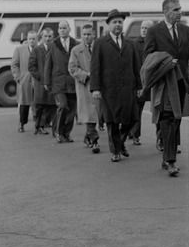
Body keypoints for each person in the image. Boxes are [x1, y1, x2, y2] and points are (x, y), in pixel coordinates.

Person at [143, 0, 189, 175]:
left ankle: (166, 156)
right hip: (164, 83)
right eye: (176, 9)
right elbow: (148, 57)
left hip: (181, 83)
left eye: (180, 9)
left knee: (176, 119)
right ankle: (170, 160)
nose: (180, 12)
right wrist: (165, 62)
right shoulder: (154, 31)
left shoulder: (185, 30)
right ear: (165, 12)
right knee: (167, 118)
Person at [90, 9, 141, 162]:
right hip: (109, 90)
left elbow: (136, 67)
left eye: (120, 22)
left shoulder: (130, 43)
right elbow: (95, 67)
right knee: (112, 121)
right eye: (114, 22)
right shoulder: (100, 43)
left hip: (128, 89)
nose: (117, 25)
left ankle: (119, 143)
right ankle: (115, 151)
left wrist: (139, 87)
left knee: (132, 119)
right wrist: (96, 88)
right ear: (108, 25)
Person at [44, 20, 79, 143]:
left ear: (69, 29)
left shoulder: (75, 44)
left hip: (72, 82)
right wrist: (47, 82)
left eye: (64, 28)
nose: (62, 30)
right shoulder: (53, 45)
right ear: (58, 30)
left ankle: (67, 133)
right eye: (60, 28)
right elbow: (48, 64)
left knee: (72, 110)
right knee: (63, 106)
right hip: (58, 83)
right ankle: (59, 132)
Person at [69, 23, 101, 153]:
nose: (86, 37)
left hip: (99, 86)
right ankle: (94, 140)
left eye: (89, 34)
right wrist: (86, 74)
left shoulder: (99, 48)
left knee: (95, 113)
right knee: (90, 113)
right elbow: (72, 69)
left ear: (94, 34)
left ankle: (88, 137)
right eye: (84, 34)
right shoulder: (76, 50)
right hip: (85, 85)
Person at [127, 19, 153, 145]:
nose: (143, 30)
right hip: (139, 81)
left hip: (153, 80)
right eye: (142, 28)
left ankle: (160, 139)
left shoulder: (155, 43)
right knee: (137, 109)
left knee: (158, 110)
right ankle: (135, 135)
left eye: (146, 28)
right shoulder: (134, 43)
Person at [28, 28, 56, 136]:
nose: (48, 38)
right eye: (45, 36)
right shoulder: (37, 49)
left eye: (50, 36)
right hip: (40, 82)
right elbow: (31, 67)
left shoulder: (56, 48)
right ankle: (38, 126)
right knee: (40, 106)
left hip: (53, 82)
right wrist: (41, 77)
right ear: (42, 37)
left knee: (53, 106)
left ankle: (54, 128)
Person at [11, 30, 37, 132]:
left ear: (37, 39)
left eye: (34, 39)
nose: (31, 41)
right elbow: (14, 64)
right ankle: (21, 123)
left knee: (39, 103)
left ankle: (39, 125)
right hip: (24, 80)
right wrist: (18, 77)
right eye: (30, 39)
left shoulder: (40, 49)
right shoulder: (19, 49)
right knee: (24, 104)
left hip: (37, 80)